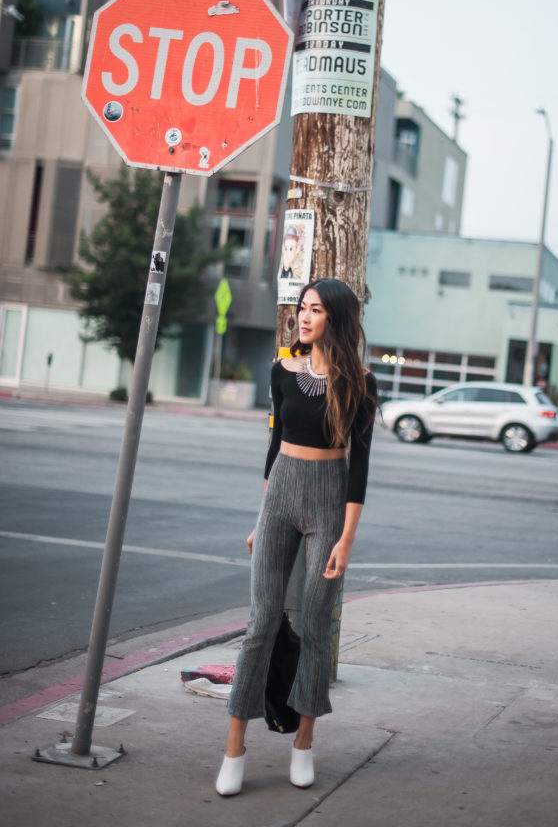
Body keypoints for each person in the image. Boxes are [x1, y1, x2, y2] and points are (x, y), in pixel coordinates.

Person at [216, 278, 378, 797]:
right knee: (260, 623)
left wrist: (346, 539)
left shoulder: (361, 382)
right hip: (281, 496)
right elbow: (273, 446)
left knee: (313, 626)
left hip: (329, 503)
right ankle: (234, 748)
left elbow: (360, 470)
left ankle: (303, 743)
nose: (303, 318)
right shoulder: (281, 370)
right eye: (302, 308)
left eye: (315, 310)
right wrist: (261, 518)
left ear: (338, 318)